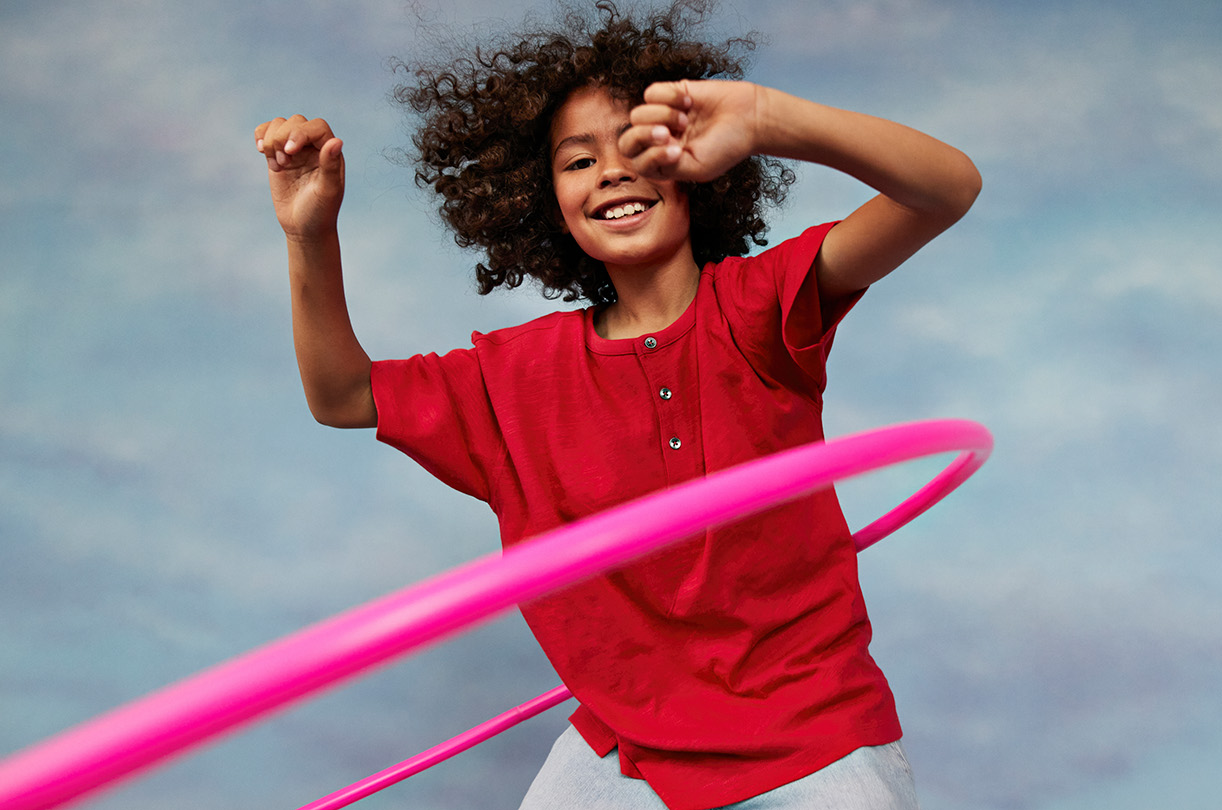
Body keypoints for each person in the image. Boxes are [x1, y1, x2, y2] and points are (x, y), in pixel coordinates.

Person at [254, 2, 980, 808]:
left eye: (640, 144)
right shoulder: (513, 378)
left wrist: (770, 117)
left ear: (698, 167)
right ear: (543, 202)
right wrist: (308, 233)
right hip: (629, 750)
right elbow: (342, 394)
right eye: (577, 160)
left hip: (814, 742)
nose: (612, 170)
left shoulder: (761, 308)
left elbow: (945, 190)